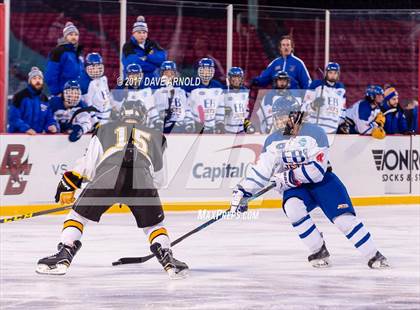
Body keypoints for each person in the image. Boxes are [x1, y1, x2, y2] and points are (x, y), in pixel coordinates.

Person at [229, 97, 389, 269]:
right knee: (292, 207)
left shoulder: (315, 133)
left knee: (344, 221)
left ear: (297, 115)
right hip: (296, 187)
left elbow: (317, 171)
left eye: (285, 115)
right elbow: (261, 170)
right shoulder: (272, 140)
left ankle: (373, 254)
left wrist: (288, 177)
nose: (281, 120)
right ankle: (318, 249)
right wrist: (243, 191)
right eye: (278, 116)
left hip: (323, 182)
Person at [36, 99, 188, 279]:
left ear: (122, 114)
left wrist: (71, 180)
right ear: (143, 117)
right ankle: (167, 258)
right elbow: (161, 180)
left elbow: (89, 165)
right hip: (143, 179)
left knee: (77, 216)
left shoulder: (104, 129)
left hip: (108, 174)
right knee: (154, 225)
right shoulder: (157, 136)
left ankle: (64, 255)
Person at [8, 67, 57, 134]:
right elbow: (14, 118)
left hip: (36, 139)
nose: (37, 81)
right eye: (34, 78)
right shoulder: (19, 96)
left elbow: (49, 118)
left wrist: (52, 126)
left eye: (40, 78)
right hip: (18, 137)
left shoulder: (44, 98)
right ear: (29, 81)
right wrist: (26, 129)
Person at [113, 63, 162, 130]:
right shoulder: (121, 88)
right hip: (127, 124)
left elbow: (151, 107)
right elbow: (117, 108)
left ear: (141, 75)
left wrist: (156, 120)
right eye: (132, 76)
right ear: (127, 76)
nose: (135, 78)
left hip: (144, 125)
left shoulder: (146, 89)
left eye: (137, 75)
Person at [302, 62, 347, 134]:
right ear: (326, 73)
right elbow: (304, 107)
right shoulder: (316, 85)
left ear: (338, 74)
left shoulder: (341, 88)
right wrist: (314, 105)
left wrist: (340, 124)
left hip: (332, 130)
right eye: (330, 72)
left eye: (335, 73)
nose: (333, 75)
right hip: (315, 129)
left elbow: (343, 110)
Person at [153, 61, 194, 133]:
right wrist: (158, 120)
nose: (168, 76)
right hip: (163, 127)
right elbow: (152, 111)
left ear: (175, 75)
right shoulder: (157, 92)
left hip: (179, 126)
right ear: (161, 75)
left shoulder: (182, 91)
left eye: (171, 73)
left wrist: (189, 122)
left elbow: (187, 109)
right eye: (166, 73)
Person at [121, 16, 167, 82]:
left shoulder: (152, 44)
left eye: (144, 32)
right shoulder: (128, 46)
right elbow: (135, 64)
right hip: (134, 83)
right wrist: (154, 67)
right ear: (133, 33)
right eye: (139, 32)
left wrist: (147, 57)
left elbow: (162, 59)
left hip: (153, 82)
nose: (142, 35)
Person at [45, 22, 83, 96]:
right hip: (62, 94)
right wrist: (57, 92)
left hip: (75, 94)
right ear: (65, 36)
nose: (74, 37)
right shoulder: (58, 51)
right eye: (71, 34)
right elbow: (50, 74)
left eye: (76, 35)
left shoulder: (77, 53)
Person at [187, 58, 224, 133]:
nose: (206, 73)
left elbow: (220, 106)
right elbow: (187, 107)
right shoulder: (192, 85)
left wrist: (219, 121)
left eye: (208, 70)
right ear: (198, 71)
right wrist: (189, 122)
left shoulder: (218, 86)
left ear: (212, 71)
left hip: (213, 125)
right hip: (197, 124)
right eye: (204, 70)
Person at [80, 52, 113, 125]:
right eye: (93, 67)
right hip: (92, 118)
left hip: (105, 114)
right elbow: (87, 105)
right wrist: (95, 121)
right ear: (86, 68)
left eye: (98, 67)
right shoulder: (84, 83)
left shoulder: (103, 79)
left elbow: (107, 97)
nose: (95, 70)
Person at [222, 67, 255, 134]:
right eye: (234, 77)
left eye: (238, 77)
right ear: (229, 78)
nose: (236, 80)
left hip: (241, 130)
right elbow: (218, 109)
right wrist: (224, 110)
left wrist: (247, 123)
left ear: (242, 78)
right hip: (227, 130)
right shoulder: (224, 91)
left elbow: (247, 112)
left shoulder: (246, 92)